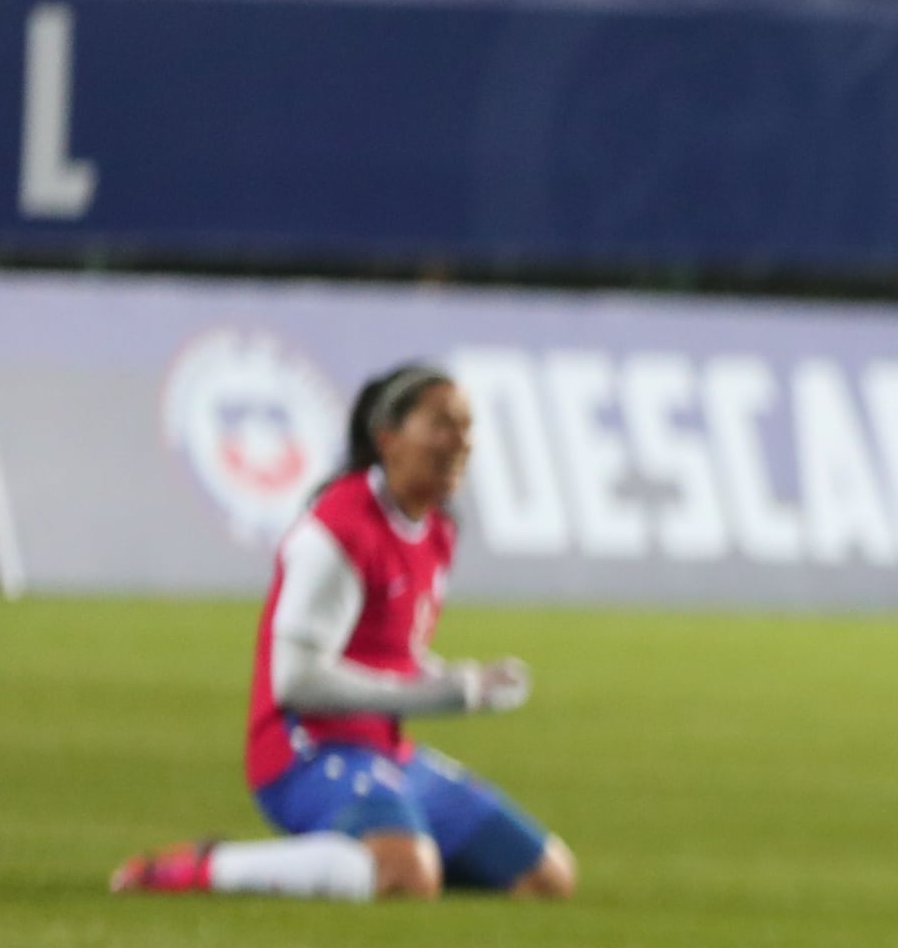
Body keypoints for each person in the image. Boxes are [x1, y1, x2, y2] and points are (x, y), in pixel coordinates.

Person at [110, 362, 573, 903]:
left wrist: (463, 677)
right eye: (442, 425)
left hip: (386, 752)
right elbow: (296, 681)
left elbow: (392, 655)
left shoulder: (438, 528)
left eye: (467, 427)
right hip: (304, 751)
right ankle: (205, 868)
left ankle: (373, 857)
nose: (461, 442)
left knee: (544, 878)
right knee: (406, 876)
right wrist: (443, 694)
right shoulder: (338, 531)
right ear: (388, 439)